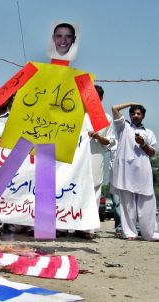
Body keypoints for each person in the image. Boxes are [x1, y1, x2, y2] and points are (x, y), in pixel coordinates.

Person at [110, 102, 159, 241]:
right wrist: (131, 103)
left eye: (138, 114)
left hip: (143, 171)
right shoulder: (123, 127)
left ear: (143, 116)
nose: (135, 116)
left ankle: (149, 233)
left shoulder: (149, 133)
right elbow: (114, 108)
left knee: (147, 202)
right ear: (130, 115)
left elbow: (151, 153)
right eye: (133, 113)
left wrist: (143, 143)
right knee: (127, 204)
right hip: (126, 171)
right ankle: (130, 233)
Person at [75, 85, 115, 240]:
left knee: (93, 193)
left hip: (95, 158)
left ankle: (87, 229)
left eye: (95, 97)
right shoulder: (77, 115)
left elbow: (110, 142)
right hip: (76, 161)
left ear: (101, 99)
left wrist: (98, 137)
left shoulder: (106, 118)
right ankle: (66, 226)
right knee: (73, 190)